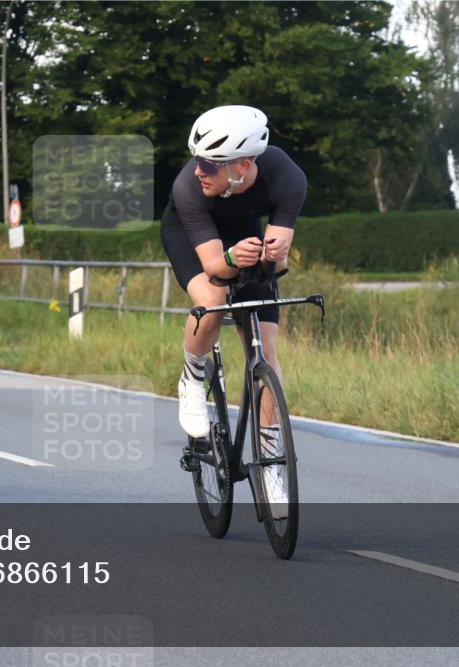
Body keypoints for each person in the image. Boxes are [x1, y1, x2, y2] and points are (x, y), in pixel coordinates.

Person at [160, 105, 307, 513]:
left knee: (267, 349)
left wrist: (273, 255)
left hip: (244, 235)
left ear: (243, 165)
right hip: (195, 238)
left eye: (209, 163)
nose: (198, 170)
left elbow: (277, 261)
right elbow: (213, 267)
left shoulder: (287, 176)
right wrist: (233, 256)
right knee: (212, 300)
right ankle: (192, 376)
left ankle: (272, 461)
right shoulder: (188, 188)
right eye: (196, 160)